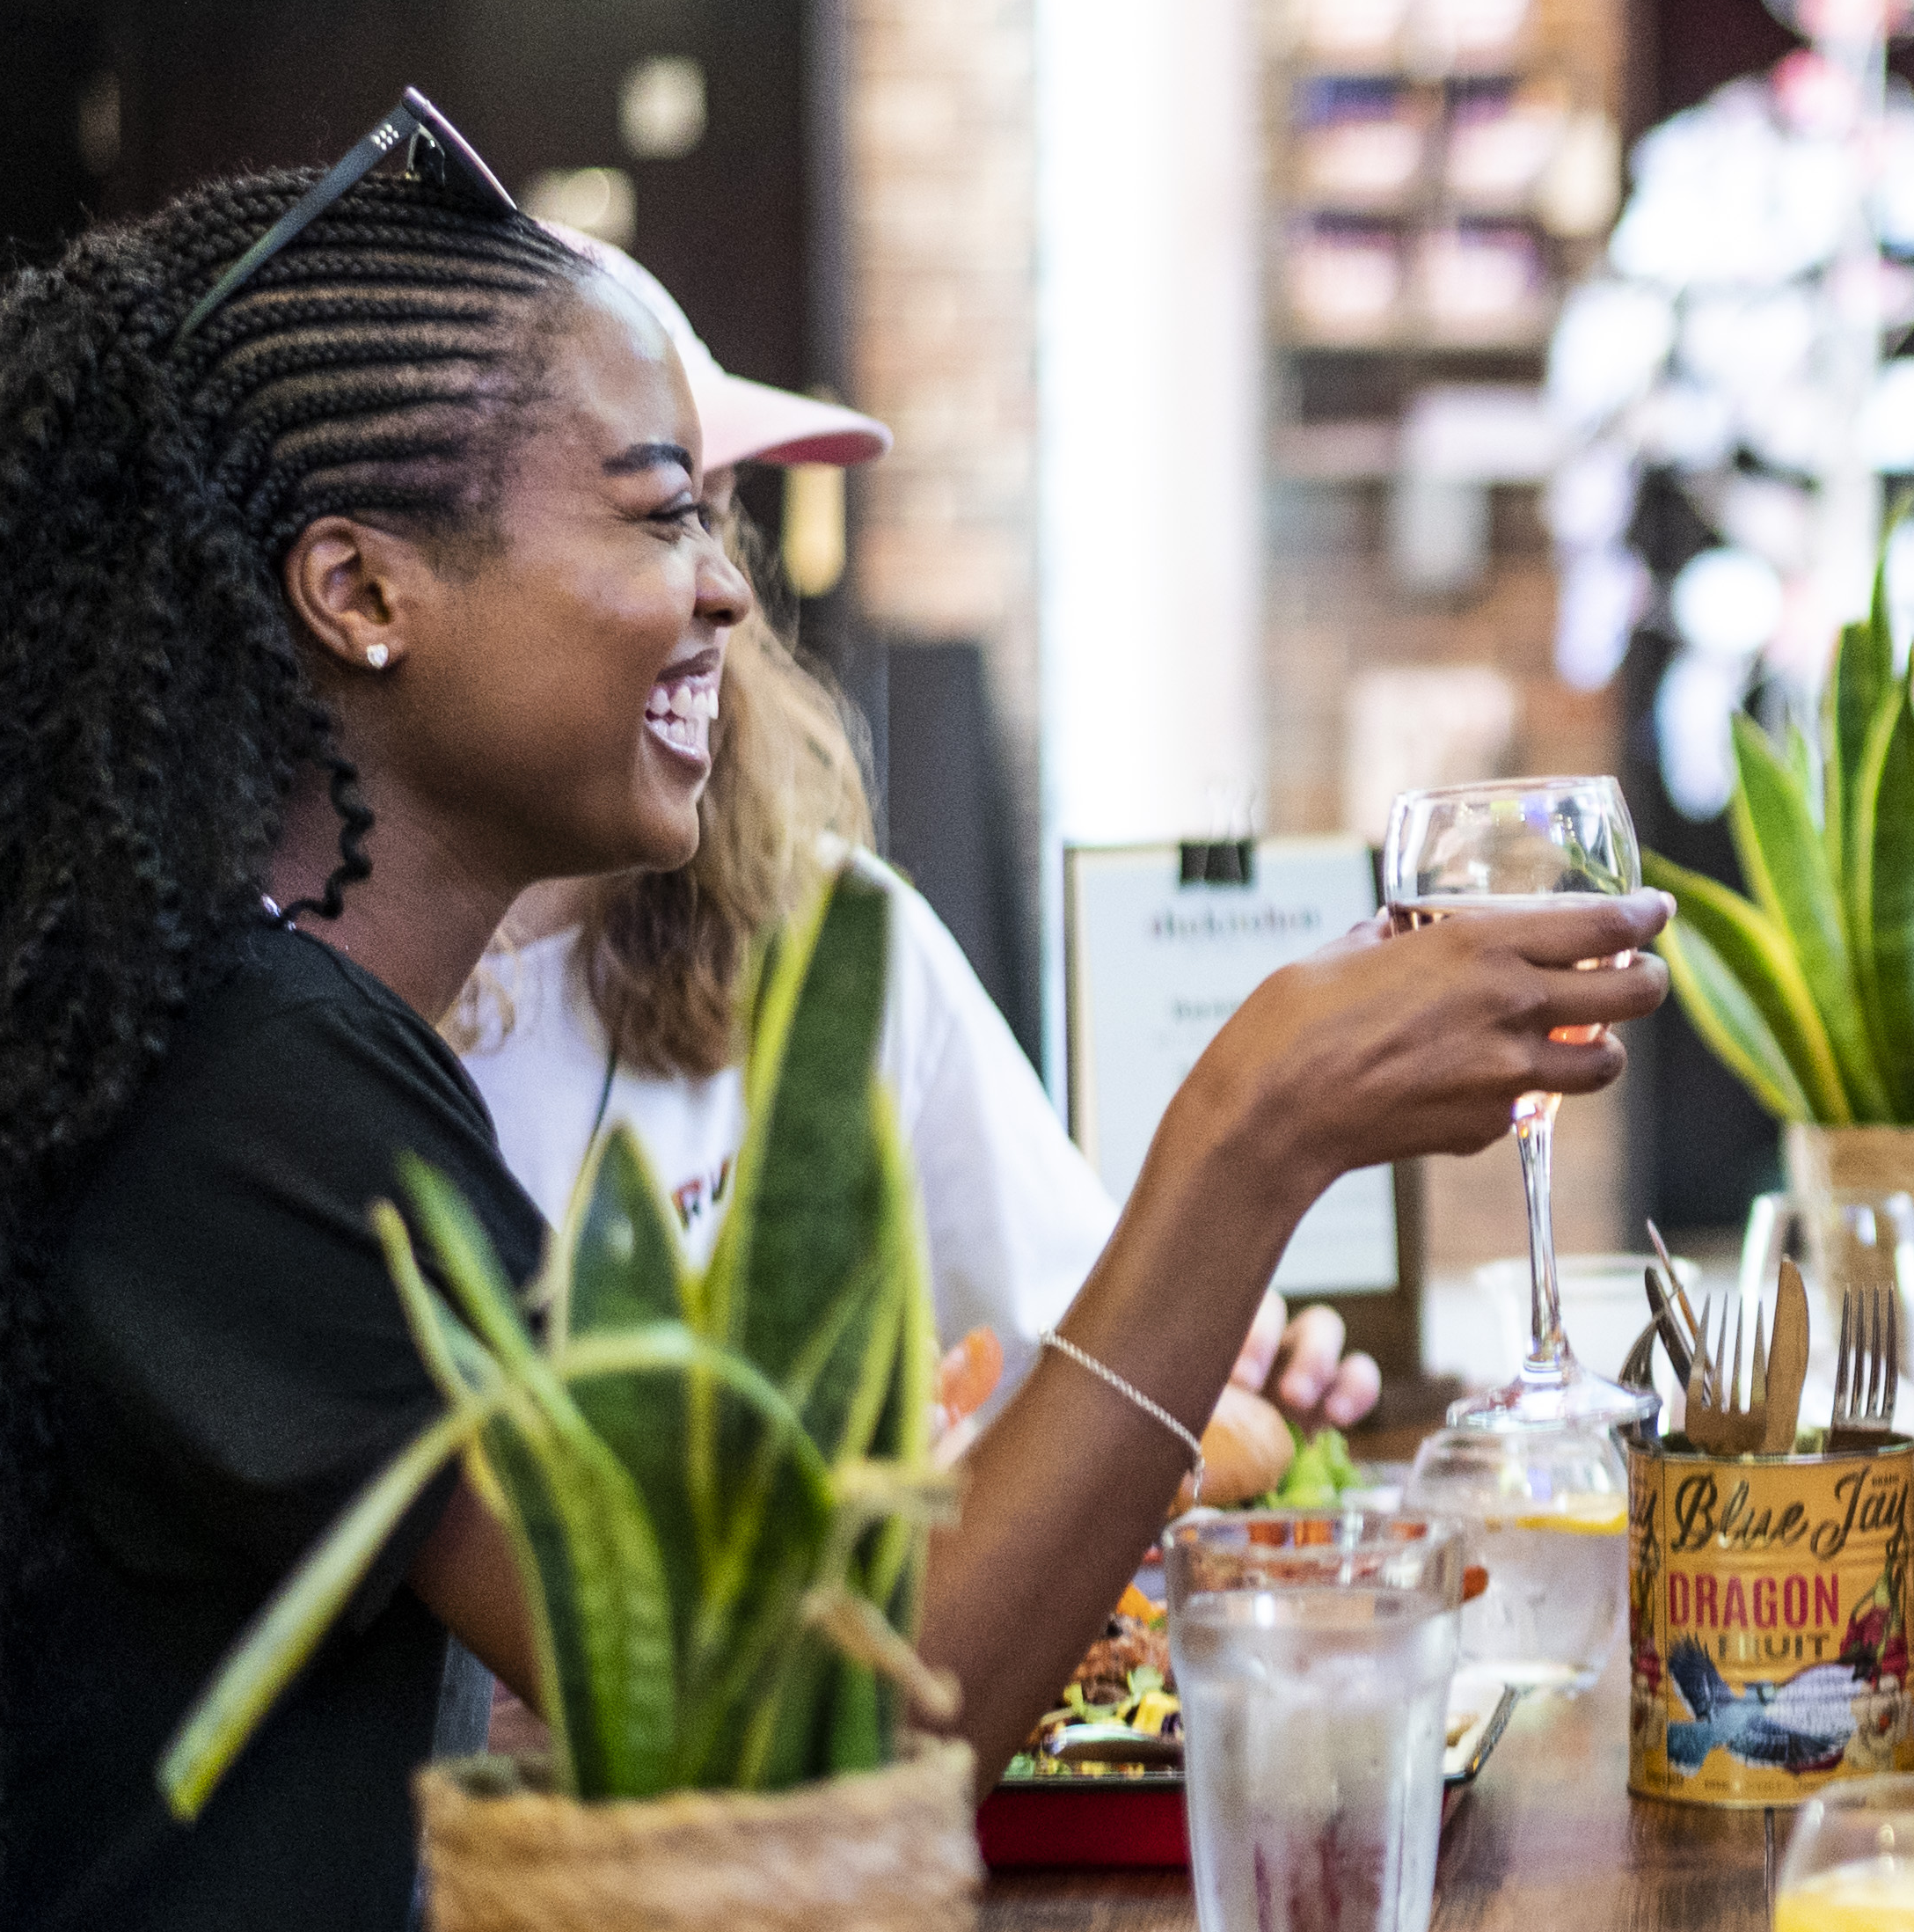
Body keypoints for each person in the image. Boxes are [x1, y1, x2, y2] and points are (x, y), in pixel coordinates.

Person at [0, 112, 1664, 1932]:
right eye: (653, 509)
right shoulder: (231, 1089)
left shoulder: (221, 1036)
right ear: (358, 591)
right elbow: (837, 1724)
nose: (725, 591)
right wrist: (1247, 1141)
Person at [453, 238, 1375, 1477]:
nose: (717, 586)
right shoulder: (315, 1006)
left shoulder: (828, 931)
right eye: (654, 515)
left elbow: (1098, 1389)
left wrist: (1230, 1356)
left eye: (717, 513)